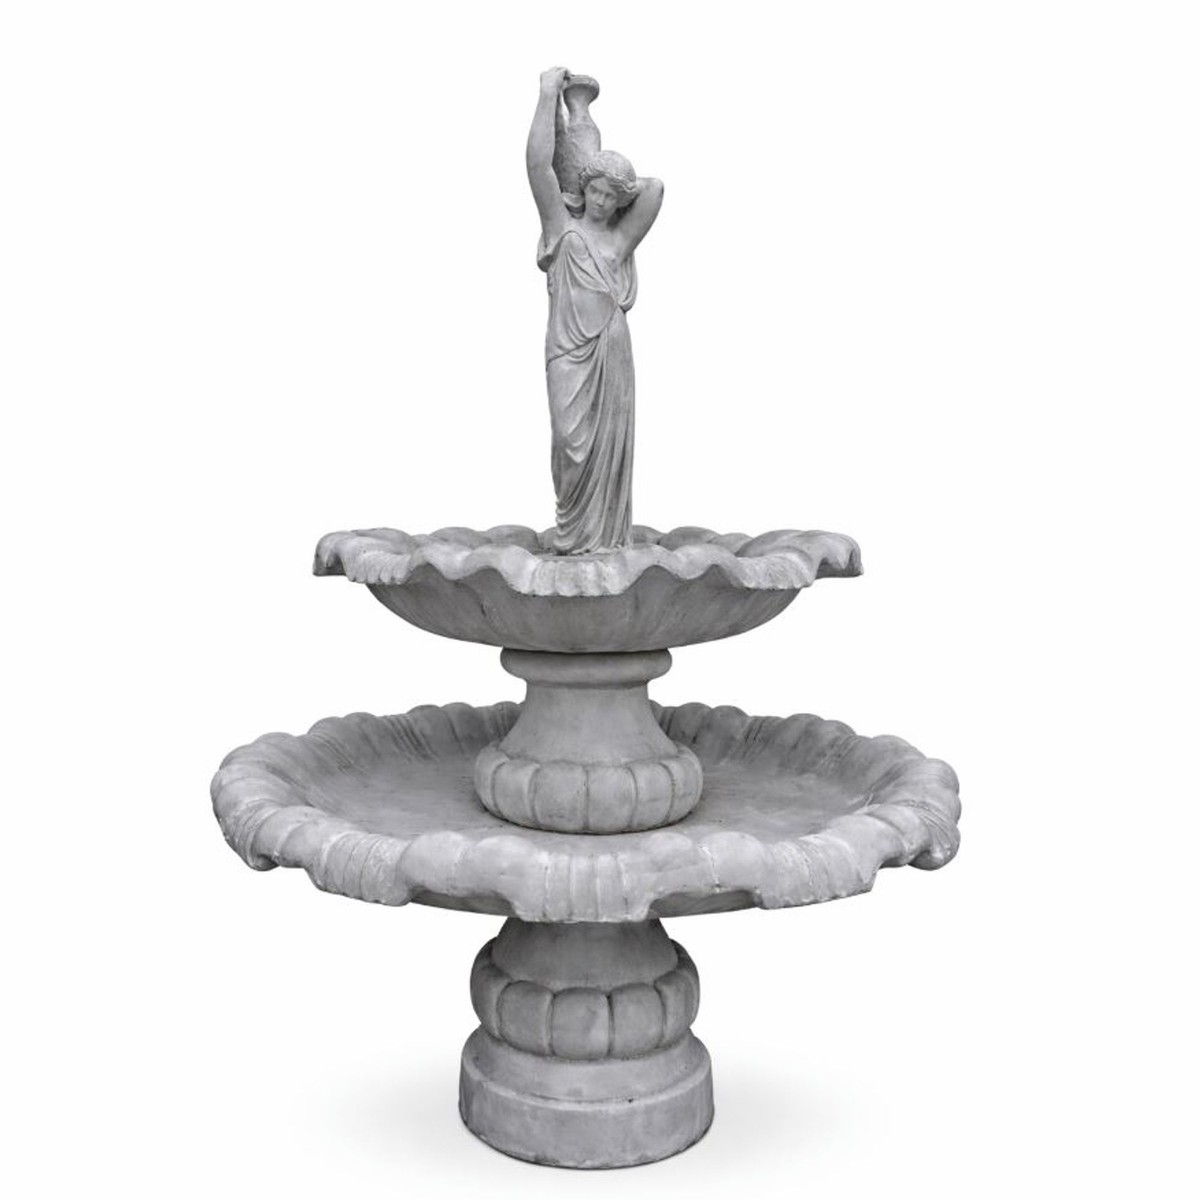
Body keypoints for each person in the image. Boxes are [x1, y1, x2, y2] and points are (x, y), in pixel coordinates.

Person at [527, 67, 664, 554]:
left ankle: (604, 540)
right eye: (596, 191)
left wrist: (610, 170)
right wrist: (549, 96)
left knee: (609, 449)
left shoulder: (619, 241)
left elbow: (654, 188)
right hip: (568, 352)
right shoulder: (560, 226)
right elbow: (539, 169)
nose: (603, 201)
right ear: (583, 189)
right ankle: (573, 534)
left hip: (610, 348)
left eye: (612, 196)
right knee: (570, 443)